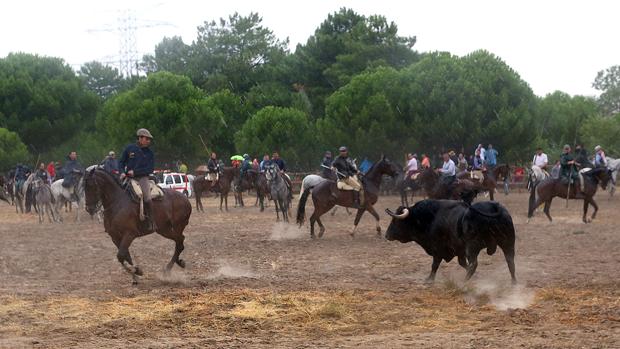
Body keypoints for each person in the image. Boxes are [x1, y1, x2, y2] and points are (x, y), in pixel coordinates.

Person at [119, 128, 157, 232]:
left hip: (142, 178)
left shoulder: (150, 153)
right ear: (140, 138)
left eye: (149, 139)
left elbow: (150, 169)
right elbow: (121, 162)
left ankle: (151, 221)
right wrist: (122, 172)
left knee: (148, 198)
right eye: (147, 139)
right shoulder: (129, 148)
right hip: (127, 177)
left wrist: (135, 173)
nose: (149, 141)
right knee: (116, 192)